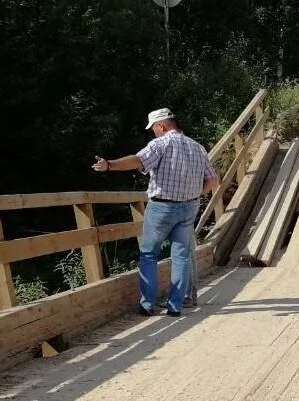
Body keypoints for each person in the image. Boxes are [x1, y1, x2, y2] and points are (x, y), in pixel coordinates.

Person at [92, 108, 219, 317]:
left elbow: (137, 160)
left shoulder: (160, 144)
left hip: (162, 207)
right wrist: (196, 193)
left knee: (149, 254)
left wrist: (109, 165)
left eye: (153, 129)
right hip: (189, 207)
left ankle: (147, 304)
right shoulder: (198, 148)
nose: (154, 133)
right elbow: (214, 180)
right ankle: (175, 305)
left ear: (161, 125)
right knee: (181, 256)